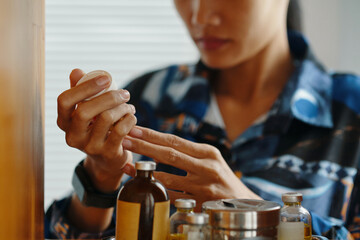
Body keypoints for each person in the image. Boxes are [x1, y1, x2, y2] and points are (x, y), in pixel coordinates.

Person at [45, 0, 360, 239]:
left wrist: (253, 212)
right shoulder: (147, 97)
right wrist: (100, 175)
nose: (199, 16)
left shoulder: (352, 114)